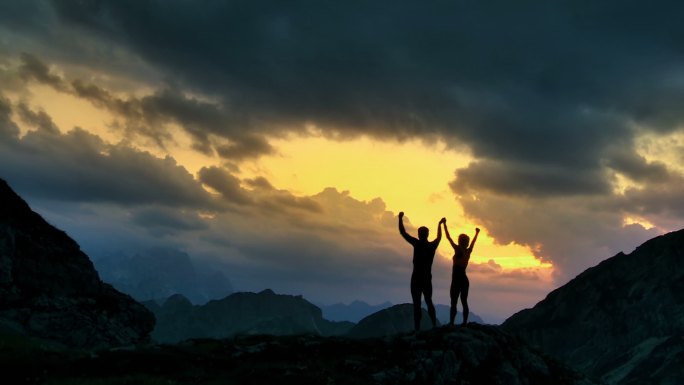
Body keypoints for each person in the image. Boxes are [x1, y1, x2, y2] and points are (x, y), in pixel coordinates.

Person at [398, 211, 444, 331]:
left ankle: (417, 329)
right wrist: (440, 225)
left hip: (417, 278)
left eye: (420, 233)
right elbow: (439, 237)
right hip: (426, 278)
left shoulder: (417, 244)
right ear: (427, 234)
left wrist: (400, 218)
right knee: (428, 302)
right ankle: (434, 326)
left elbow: (403, 233)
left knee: (417, 304)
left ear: (420, 234)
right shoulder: (431, 246)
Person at [443, 220, 479, 326]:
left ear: (460, 241)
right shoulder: (468, 251)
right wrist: (477, 233)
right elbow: (473, 242)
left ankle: (452, 323)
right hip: (463, 279)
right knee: (463, 301)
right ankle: (463, 323)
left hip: (457, 279)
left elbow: (448, 237)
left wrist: (445, 225)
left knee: (454, 303)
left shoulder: (458, 249)